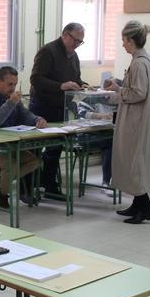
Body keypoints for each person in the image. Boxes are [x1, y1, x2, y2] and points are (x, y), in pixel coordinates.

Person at [105, 20, 150, 224]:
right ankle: (139, 205)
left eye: (124, 40)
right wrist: (121, 84)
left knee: (135, 162)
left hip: (136, 120)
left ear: (131, 40)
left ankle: (144, 209)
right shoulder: (142, 60)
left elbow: (138, 92)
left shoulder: (139, 62)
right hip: (140, 118)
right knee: (135, 162)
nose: (122, 45)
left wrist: (119, 90)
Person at [30, 22, 88, 196]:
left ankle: (49, 184)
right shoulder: (48, 51)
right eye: (75, 40)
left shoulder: (74, 56)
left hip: (60, 107)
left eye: (80, 42)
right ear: (65, 35)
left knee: (55, 148)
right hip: (42, 106)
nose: (76, 45)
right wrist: (60, 86)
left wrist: (83, 85)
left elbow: (75, 78)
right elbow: (36, 79)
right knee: (35, 148)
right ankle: (29, 185)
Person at [0, 66, 47, 207]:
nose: (13, 88)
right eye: (10, 84)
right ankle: (3, 194)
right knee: (12, 165)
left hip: (10, 144)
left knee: (35, 161)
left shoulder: (14, 98)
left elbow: (25, 115)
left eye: (15, 84)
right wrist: (10, 103)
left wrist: (37, 119)